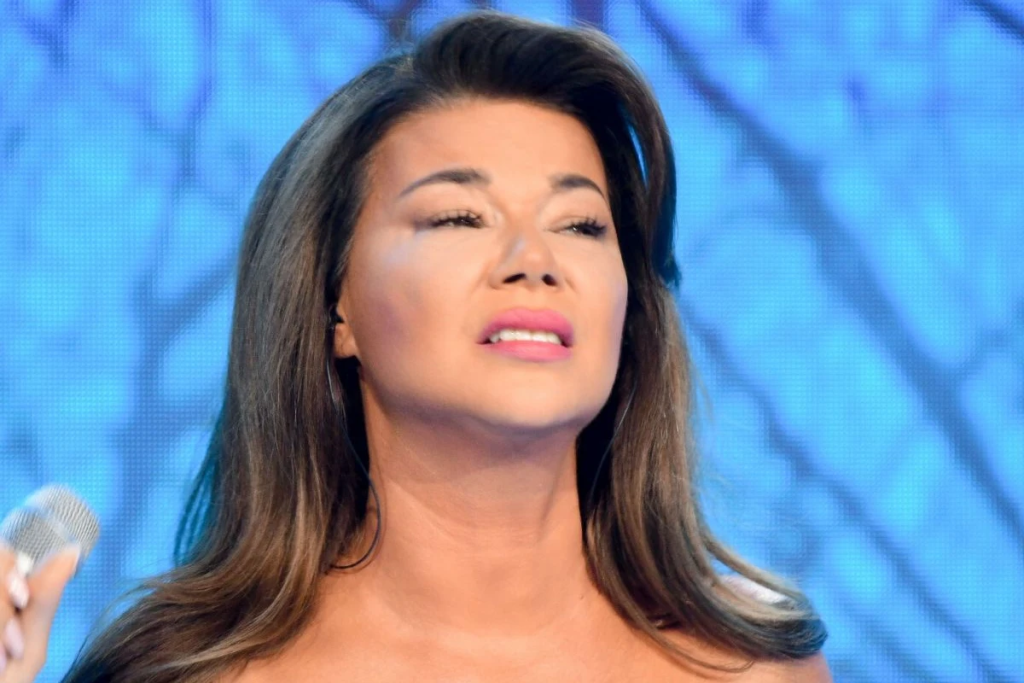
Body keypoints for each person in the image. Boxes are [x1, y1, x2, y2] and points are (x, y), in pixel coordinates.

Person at [1, 10, 831, 682]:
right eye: (459, 217)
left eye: (580, 224)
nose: (534, 260)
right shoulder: (192, 671)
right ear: (335, 305)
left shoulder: (753, 665)